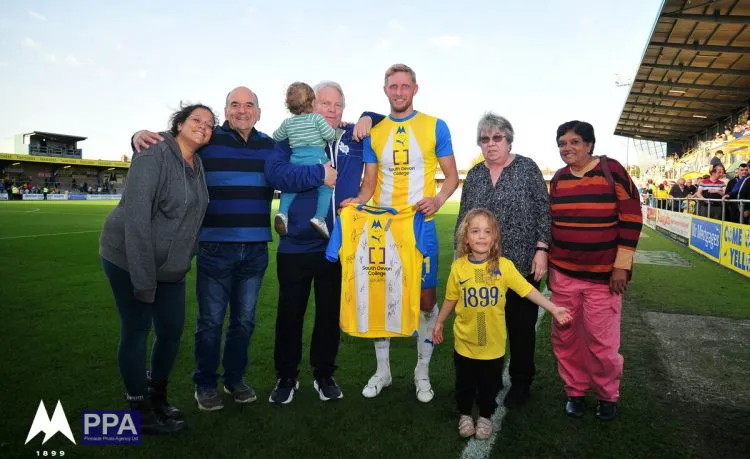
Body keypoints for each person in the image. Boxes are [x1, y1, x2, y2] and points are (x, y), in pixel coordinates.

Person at [132, 87, 277, 412]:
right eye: (235, 105)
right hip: (215, 247)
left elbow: (302, 157)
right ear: (226, 111)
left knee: (244, 322)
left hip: (256, 248)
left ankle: (235, 379)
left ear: (258, 112)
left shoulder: (270, 145)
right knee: (210, 322)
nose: (242, 110)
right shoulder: (209, 138)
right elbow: (173, 144)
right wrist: (138, 136)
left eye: (249, 105)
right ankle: (205, 383)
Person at [341, 63, 460, 403]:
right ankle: (383, 371)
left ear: (415, 89)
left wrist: (438, 200)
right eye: (393, 86)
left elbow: (452, 177)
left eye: (405, 86)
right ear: (385, 90)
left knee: (426, 300)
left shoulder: (436, 126)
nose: (399, 92)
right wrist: (357, 201)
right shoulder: (375, 132)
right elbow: (369, 184)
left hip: (421, 227)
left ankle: (422, 372)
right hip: (384, 230)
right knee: (382, 297)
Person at [100, 103, 214, 433]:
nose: (203, 126)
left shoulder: (197, 164)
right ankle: (140, 411)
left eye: (209, 124)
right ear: (179, 124)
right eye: (196, 120)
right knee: (136, 330)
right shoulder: (154, 153)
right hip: (128, 257)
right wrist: (144, 280)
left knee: (171, 331)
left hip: (170, 267)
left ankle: (157, 396)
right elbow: (136, 221)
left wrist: (184, 257)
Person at [264, 81, 379, 404]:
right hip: (296, 244)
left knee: (329, 315)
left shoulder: (353, 137)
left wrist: (370, 116)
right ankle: (286, 377)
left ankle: (324, 374)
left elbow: (393, 118)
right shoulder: (292, 136)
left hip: (336, 246)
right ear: (312, 105)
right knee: (290, 314)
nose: (332, 109)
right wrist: (318, 174)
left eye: (338, 104)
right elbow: (276, 175)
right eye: (325, 103)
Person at [433, 208, 571, 439]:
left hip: (493, 345)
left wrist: (553, 308)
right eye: (475, 231)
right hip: (464, 343)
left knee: (489, 386)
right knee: (464, 384)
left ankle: (485, 417)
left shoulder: (504, 266)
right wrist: (439, 321)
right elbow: (451, 298)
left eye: (487, 231)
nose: (481, 236)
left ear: (495, 237)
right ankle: (465, 414)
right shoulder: (459, 266)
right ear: (466, 238)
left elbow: (527, 290)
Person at [454, 112, 551, 408]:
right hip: (482, 270)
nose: (491, 143)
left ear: (509, 141)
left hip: (521, 264)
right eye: (485, 139)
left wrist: (542, 249)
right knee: (484, 326)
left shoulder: (527, 168)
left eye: (497, 138)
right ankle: (489, 379)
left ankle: (521, 382)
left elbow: (543, 211)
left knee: (521, 329)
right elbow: (464, 219)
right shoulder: (475, 175)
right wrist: (459, 258)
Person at [548, 120, 642, 421]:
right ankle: (574, 391)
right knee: (566, 338)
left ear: (589, 145)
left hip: (603, 279)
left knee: (602, 342)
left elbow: (632, 219)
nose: (567, 148)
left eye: (574, 142)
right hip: (564, 275)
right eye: (562, 143)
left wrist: (621, 266)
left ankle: (607, 395)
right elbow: (552, 224)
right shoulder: (559, 179)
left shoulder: (612, 170)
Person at [273, 82, 337, 238]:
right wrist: (334, 133)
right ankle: (319, 218)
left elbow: (276, 136)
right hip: (316, 159)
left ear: (289, 106)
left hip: (296, 160)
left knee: (290, 188)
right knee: (326, 188)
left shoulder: (288, 123)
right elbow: (330, 135)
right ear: (313, 102)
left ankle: (282, 213)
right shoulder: (316, 118)